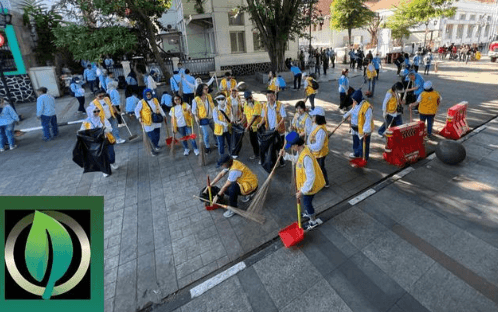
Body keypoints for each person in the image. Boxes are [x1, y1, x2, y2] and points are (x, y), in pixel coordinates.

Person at [279, 131, 325, 230]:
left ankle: (313, 221)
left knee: (307, 203)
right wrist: (285, 155)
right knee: (306, 202)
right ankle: (309, 213)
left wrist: (302, 191)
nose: (291, 148)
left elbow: (311, 177)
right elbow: (297, 159)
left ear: (296, 145)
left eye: (291, 146)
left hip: (310, 186)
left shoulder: (306, 157)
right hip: (306, 185)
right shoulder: (301, 151)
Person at [80, 104, 118, 177]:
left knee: (111, 155)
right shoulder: (86, 122)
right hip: (96, 143)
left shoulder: (102, 118)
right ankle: (105, 170)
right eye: (95, 111)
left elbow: (110, 128)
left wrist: (103, 129)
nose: (97, 112)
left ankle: (112, 162)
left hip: (106, 139)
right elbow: (83, 132)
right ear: (90, 112)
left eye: (98, 110)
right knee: (100, 157)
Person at [257, 89, 286, 167]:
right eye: (268, 97)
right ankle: (272, 162)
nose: (270, 98)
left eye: (271, 96)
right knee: (271, 147)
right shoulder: (264, 106)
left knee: (279, 146)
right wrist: (260, 124)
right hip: (270, 131)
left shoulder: (280, 105)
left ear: (274, 96)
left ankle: (281, 160)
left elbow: (283, 118)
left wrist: (278, 125)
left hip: (279, 131)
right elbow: (264, 118)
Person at [343, 89, 373, 161]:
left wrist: (366, 130)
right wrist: (346, 115)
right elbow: (352, 110)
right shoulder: (356, 104)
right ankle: (356, 153)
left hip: (363, 129)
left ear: (359, 99)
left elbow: (368, 119)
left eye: (354, 100)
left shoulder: (366, 107)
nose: (353, 101)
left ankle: (364, 157)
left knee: (364, 144)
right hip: (355, 127)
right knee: (355, 141)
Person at [135, 89, 167, 154]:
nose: (148, 96)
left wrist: (164, 115)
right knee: (151, 136)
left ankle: (156, 145)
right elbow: (136, 110)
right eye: (147, 94)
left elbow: (159, 108)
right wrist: (139, 118)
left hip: (156, 120)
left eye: (149, 94)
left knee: (157, 134)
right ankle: (153, 147)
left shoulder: (155, 100)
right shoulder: (141, 102)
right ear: (144, 95)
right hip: (147, 122)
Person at [307, 107, 330, 188]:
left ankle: (325, 182)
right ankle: (320, 181)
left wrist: (308, 146)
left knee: (320, 168)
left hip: (320, 153)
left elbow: (318, 146)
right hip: (314, 152)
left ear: (318, 117)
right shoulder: (315, 125)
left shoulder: (321, 130)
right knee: (317, 168)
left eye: (313, 116)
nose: (312, 118)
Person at [192, 83, 215, 154]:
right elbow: (194, 110)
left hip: (211, 117)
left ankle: (217, 142)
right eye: (205, 89)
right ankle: (207, 146)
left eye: (207, 88)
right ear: (201, 90)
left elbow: (212, 106)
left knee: (216, 131)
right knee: (206, 134)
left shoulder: (209, 96)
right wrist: (196, 117)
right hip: (203, 119)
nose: (207, 90)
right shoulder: (196, 99)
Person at [213, 93, 233, 167]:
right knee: (221, 145)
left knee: (230, 143)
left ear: (225, 99)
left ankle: (231, 156)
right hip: (219, 130)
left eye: (222, 99)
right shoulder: (215, 110)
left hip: (228, 129)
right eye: (219, 99)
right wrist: (222, 123)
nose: (221, 100)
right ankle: (221, 159)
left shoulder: (228, 108)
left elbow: (231, 116)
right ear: (217, 100)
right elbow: (215, 120)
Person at [241, 91, 261, 160]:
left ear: (252, 97)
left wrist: (247, 127)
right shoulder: (245, 104)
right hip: (251, 127)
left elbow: (254, 117)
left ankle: (261, 156)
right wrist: (240, 122)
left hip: (258, 127)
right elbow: (245, 115)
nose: (249, 100)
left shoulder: (257, 104)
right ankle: (256, 154)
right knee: (253, 142)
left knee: (259, 142)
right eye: (247, 99)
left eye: (250, 98)